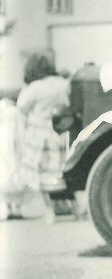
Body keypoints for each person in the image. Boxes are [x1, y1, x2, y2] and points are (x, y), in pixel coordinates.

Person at [14, 54, 70, 224]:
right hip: (60, 131)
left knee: (42, 174)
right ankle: (72, 207)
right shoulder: (63, 84)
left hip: (39, 132)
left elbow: (21, 106)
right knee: (61, 170)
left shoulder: (35, 87)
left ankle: (50, 211)